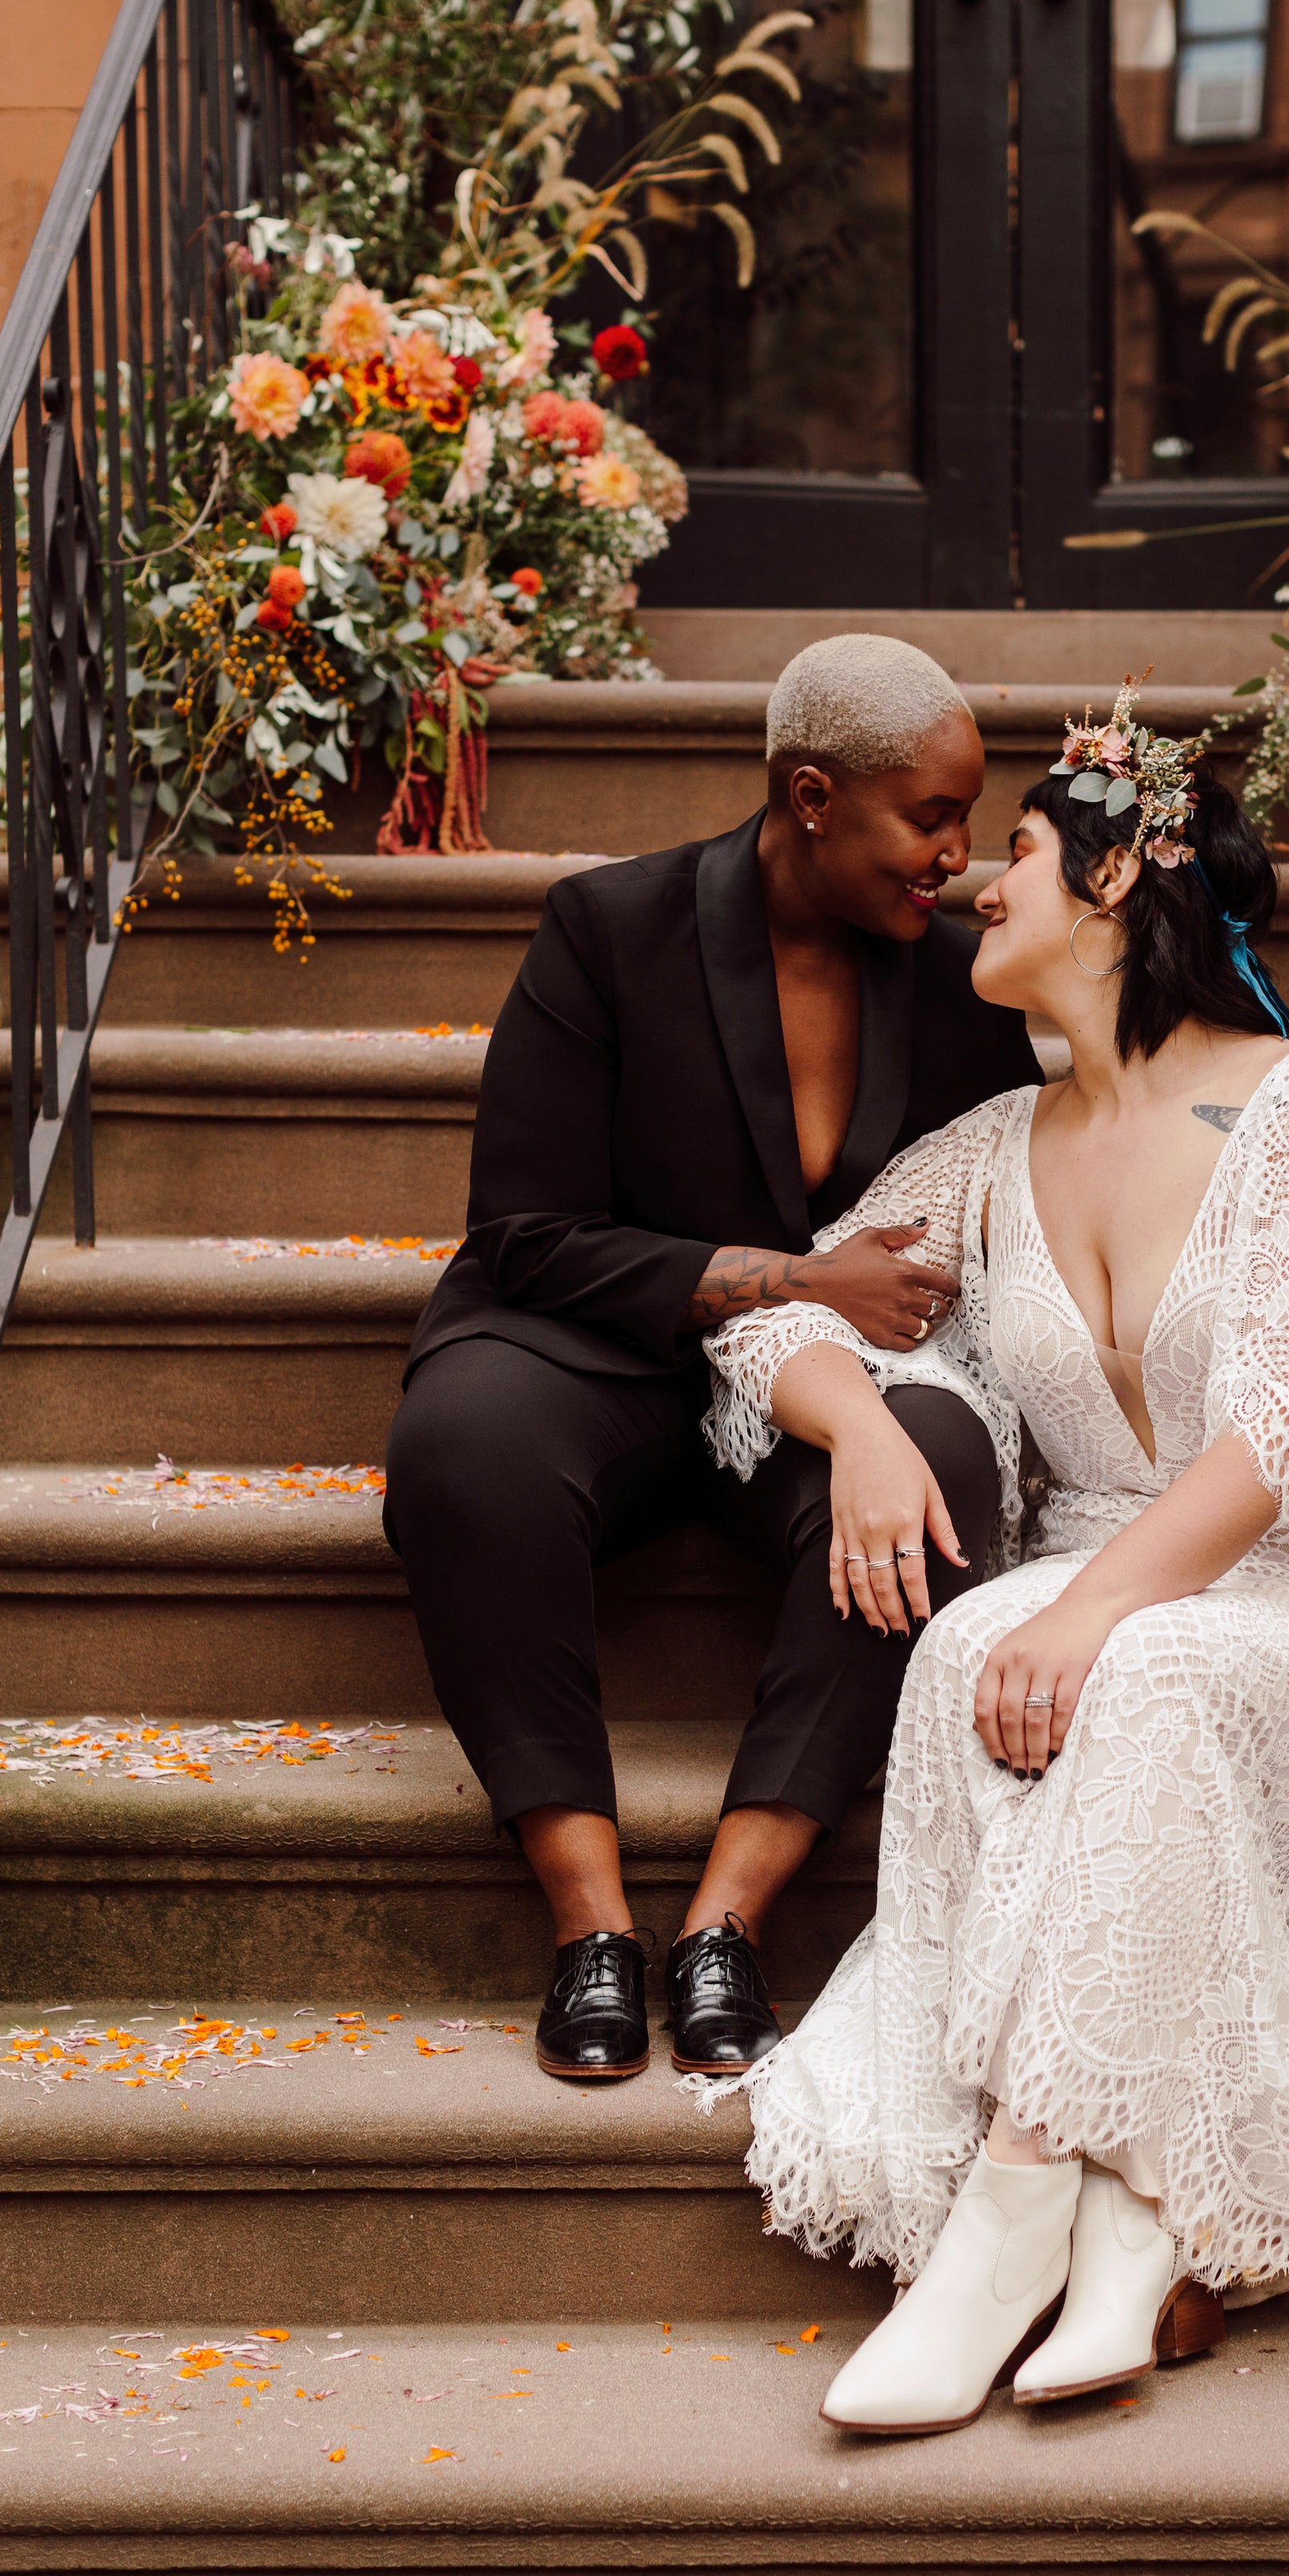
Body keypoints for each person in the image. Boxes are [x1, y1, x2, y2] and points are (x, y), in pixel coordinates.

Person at [700, 686, 1289, 2433]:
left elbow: (1281, 1440)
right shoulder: (983, 1155)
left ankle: (1009, 2205)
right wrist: (863, 1422)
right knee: (965, 1654)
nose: (969, 888)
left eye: (1010, 853)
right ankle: (1125, 2217)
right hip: (1109, 1570)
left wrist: (1096, 1608)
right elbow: (767, 1322)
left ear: (1111, 882)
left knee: (1143, 1669)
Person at [383, 634, 1043, 2086]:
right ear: (811, 794)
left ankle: (728, 1927)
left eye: (972, 819)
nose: (960, 856)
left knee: (943, 1459)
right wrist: (797, 1280)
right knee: (464, 1444)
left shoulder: (962, 980)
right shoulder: (608, 930)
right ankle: (593, 1930)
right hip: (597, 1357)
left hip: (825, 1402)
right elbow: (525, 1233)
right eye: (928, 819)